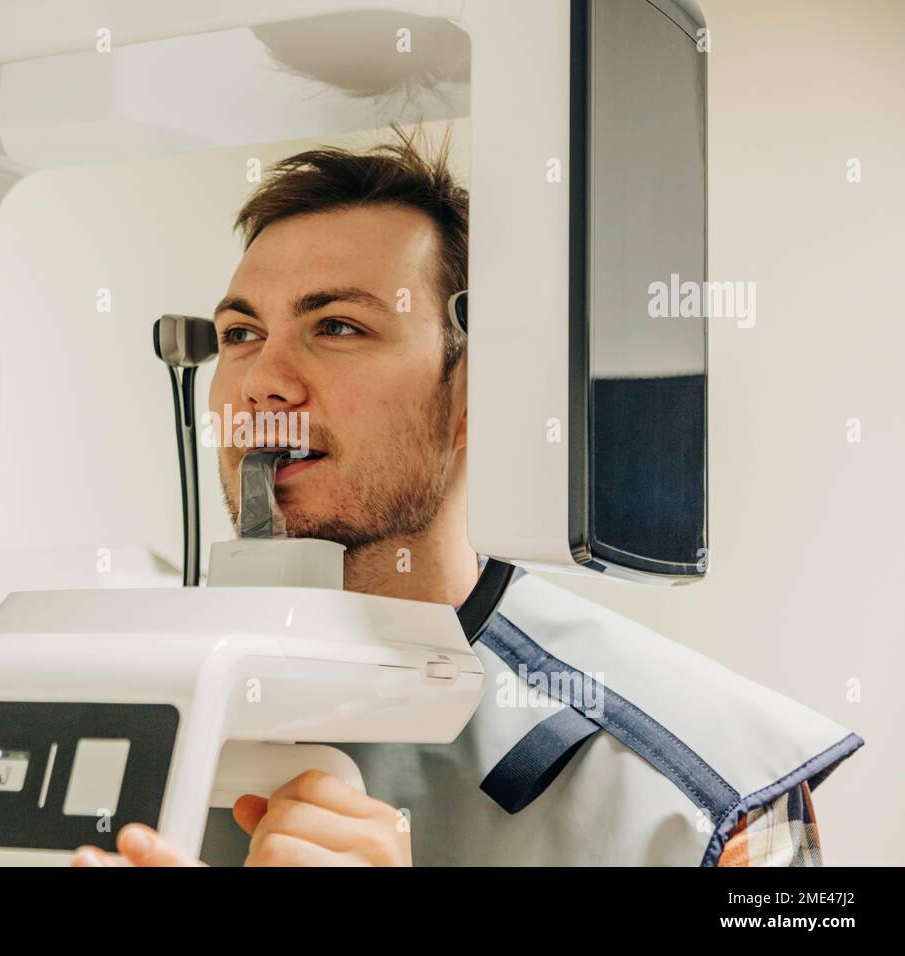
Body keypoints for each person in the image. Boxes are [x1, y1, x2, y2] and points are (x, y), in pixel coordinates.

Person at [72, 126, 862, 867]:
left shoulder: (703, 790)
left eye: (339, 326)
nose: (263, 383)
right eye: (242, 335)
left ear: (475, 394)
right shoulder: (97, 715)